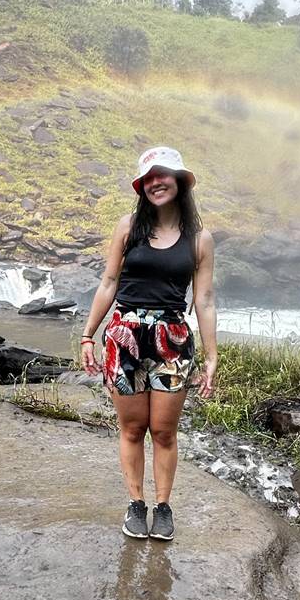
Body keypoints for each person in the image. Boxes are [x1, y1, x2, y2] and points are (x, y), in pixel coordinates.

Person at [80, 146, 217, 541]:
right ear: (142, 187)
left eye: (164, 174)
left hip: (172, 341)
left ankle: (164, 507)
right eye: (149, 177)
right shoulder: (128, 227)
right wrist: (89, 334)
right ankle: (136, 504)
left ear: (179, 181)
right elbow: (109, 282)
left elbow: (204, 300)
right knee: (132, 427)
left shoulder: (199, 240)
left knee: (164, 431)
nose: (157, 182)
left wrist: (211, 356)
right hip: (124, 337)